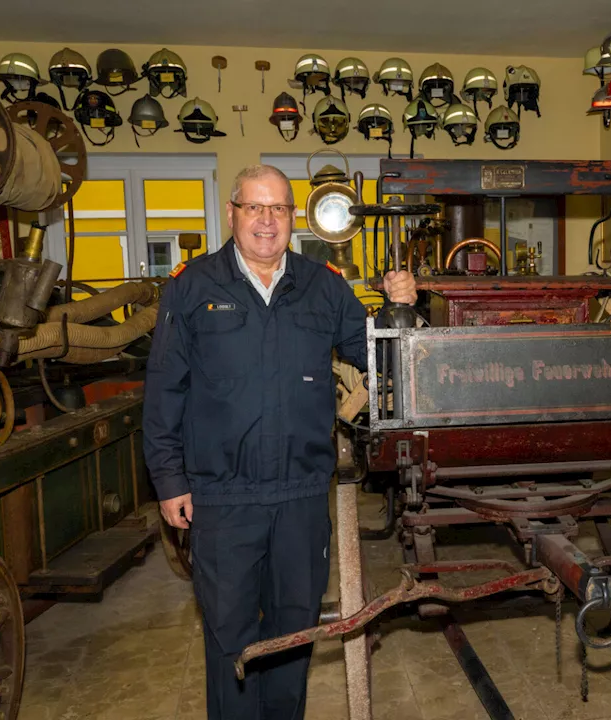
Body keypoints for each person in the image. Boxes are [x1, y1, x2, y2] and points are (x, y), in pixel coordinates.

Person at [143, 164, 417, 720]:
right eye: (254, 208)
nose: (266, 221)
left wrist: (402, 309)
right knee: (231, 640)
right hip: (222, 498)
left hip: (300, 495)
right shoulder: (191, 288)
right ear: (232, 214)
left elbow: (385, 359)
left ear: (293, 217)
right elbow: (164, 389)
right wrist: (169, 480)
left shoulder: (325, 287)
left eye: (278, 209)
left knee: (294, 632)